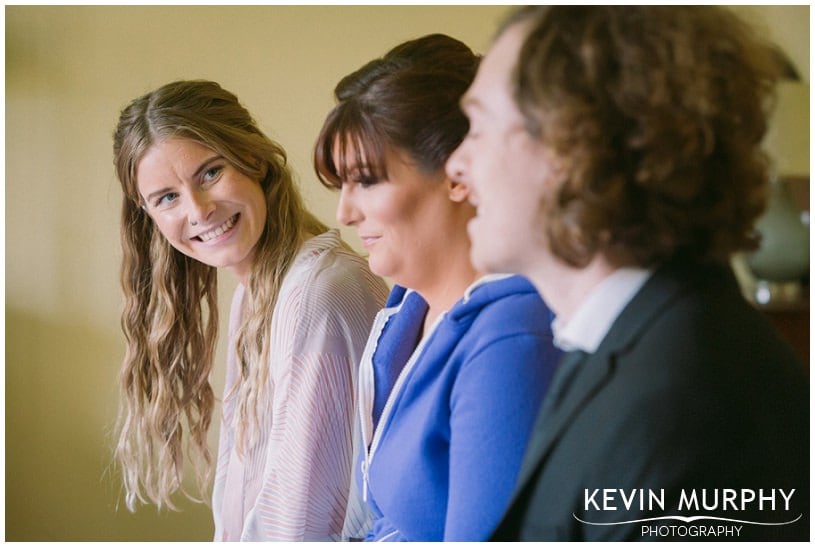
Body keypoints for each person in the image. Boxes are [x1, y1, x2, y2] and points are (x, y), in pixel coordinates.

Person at [446, 6, 809, 541]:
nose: (456, 164)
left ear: (573, 142)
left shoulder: (692, 401)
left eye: (478, 127)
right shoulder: (620, 339)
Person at [112, 79, 388, 541]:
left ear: (253, 157)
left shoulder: (321, 292)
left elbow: (302, 517)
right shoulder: (256, 292)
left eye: (210, 173)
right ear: (150, 216)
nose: (198, 211)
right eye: (167, 198)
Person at [313, 34, 561, 541]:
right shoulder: (407, 309)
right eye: (341, 184)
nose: (344, 213)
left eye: (366, 180)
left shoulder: (511, 339)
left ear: (457, 173)